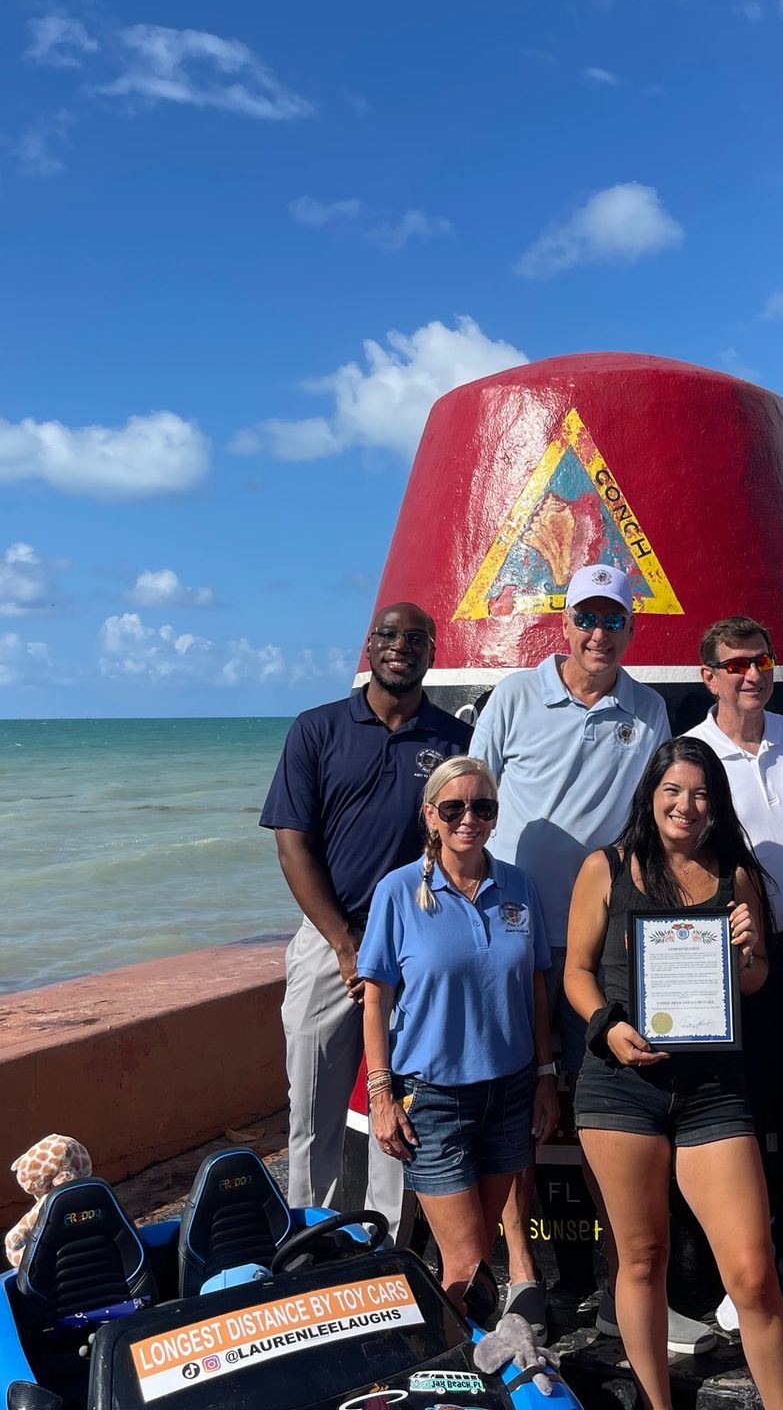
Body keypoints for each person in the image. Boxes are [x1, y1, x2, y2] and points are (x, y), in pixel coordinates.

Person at [470, 563, 675, 1338]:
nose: (599, 634)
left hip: (603, 946)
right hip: (513, 941)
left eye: (613, 620)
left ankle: (628, 1271)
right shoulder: (516, 697)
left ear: (631, 627)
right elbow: (468, 802)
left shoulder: (648, 708)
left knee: (606, 1110)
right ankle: (523, 1273)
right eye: (587, 618)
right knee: (511, 1104)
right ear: (565, 623)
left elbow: (662, 819)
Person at [564, 738, 783, 1410]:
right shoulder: (604, 868)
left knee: (752, 1275)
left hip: (713, 1092)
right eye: (673, 791)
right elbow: (576, 972)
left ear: (715, 804)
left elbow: (752, 983)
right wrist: (608, 1026)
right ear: (651, 796)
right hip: (620, 1087)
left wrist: (751, 950)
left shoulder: (736, 877)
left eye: (699, 793)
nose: (686, 805)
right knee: (640, 1261)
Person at [260, 602, 471, 1225]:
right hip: (331, 943)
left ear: (432, 653)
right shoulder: (316, 729)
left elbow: (467, 842)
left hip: (418, 947)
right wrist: (346, 942)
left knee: (405, 1106)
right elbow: (291, 844)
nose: (400, 646)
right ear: (369, 646)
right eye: (388, 635)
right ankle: (308, 1239)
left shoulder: (454, 742)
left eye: (415, 638)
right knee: (313, 1109)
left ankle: (389, 1246)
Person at [359, 757, 559, 1293]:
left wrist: (545, 1075)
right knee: (469, 1263)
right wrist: (381, 1094)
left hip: (510, 1092)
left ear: (495, 816)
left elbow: (536, 986)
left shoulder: (518, 887)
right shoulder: (397, 893)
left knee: (476, 1262)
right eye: (453, 807)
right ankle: (463, 1365)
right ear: (431, 816)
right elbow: (375, 1000)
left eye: (482, 807)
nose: (468, 818)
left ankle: (475, 1357)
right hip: (433, 1099)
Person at [681, 616, 783, 1305]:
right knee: (739, 1116)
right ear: (708, 675)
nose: (752, 674)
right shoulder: (690, 752)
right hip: (732, 957)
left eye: (762, 660)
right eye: (736, 664)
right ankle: (743, 1261)